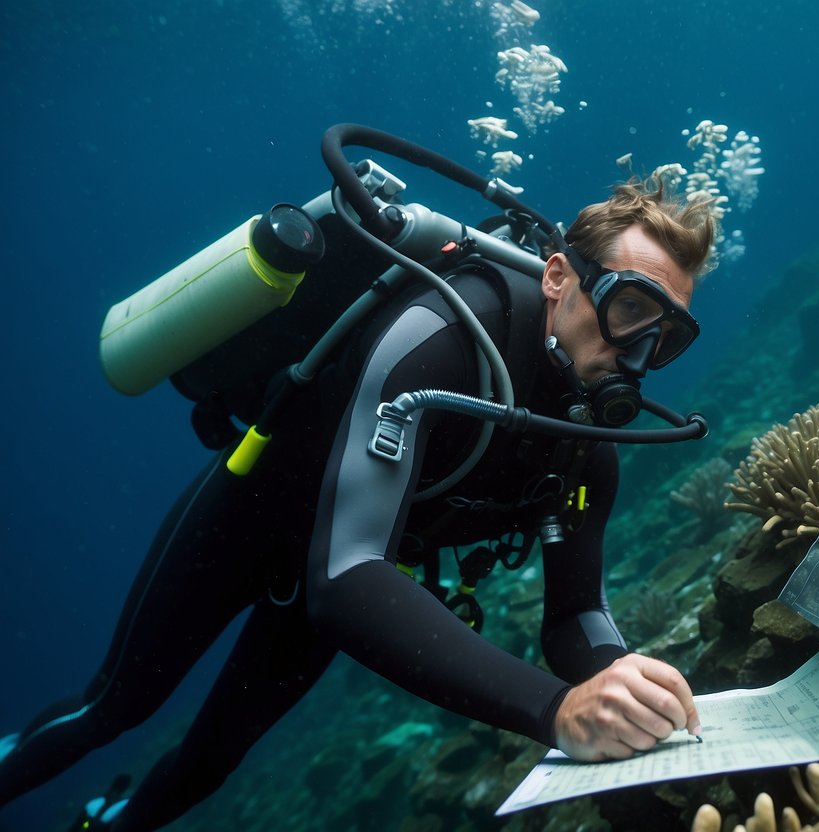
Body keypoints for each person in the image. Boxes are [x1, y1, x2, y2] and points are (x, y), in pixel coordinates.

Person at [0, 179, 715, 830]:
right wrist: (555, 709)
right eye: (629, 308)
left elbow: (573, 615)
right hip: (248, 520)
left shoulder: (581, 446)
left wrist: (615, 679)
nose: (639, 355)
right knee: (114, 708)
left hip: (346, 575)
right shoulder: (441, 337)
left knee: (211, 763)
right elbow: (345, 573)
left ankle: (106, 825)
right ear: (557, 277)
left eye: (667, 336)